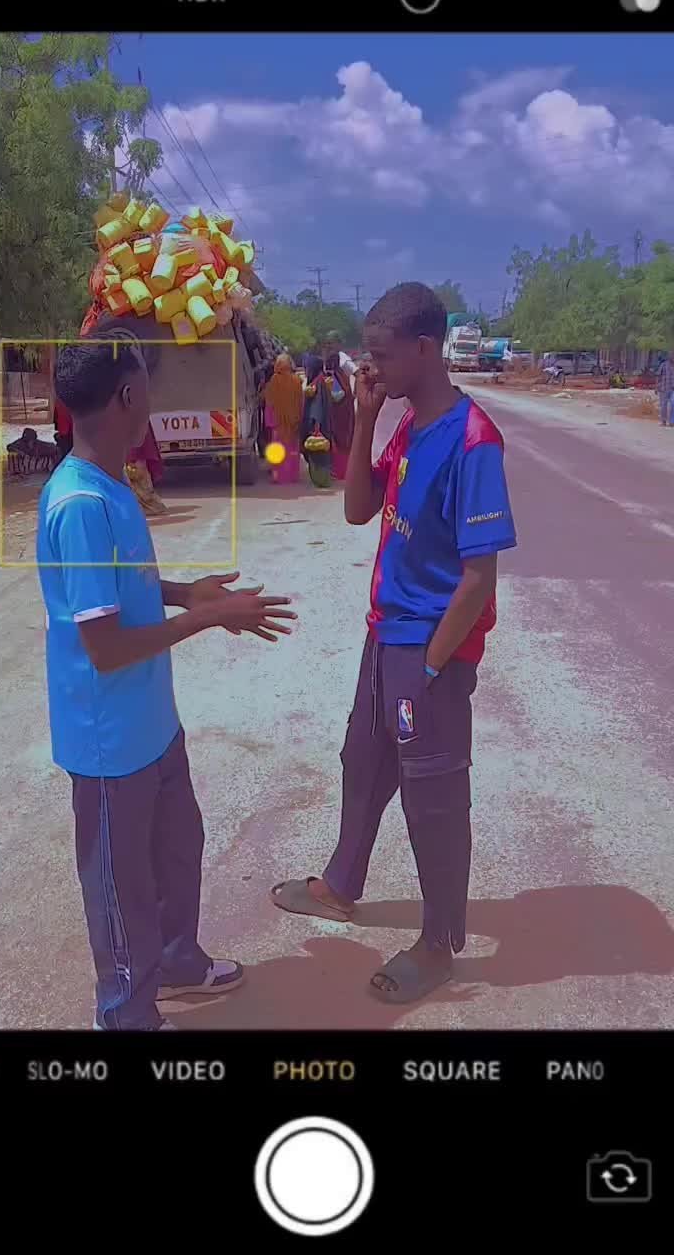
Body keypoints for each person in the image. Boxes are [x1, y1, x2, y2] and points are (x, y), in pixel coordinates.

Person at [37, 326, 297, 1030]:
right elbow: (105, 646)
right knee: (121, 886)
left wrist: (186, 594)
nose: (152, 396)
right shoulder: (81, 505)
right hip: (109, 741)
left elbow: (122, 593)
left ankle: (179, 961)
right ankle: (124, 1011)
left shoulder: (112, 484)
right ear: (128, 395)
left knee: (179, 850)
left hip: (152, 723)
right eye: (147, 384)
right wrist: (211, 618)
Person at [271, 283, 517, 1004]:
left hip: (429, 650)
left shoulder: (473, 441)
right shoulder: (408, 422)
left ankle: (438, 944)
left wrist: (433, 666)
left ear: (425, 349)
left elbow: (478, 577)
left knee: (432, 796)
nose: (368, 367)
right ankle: (340, 885)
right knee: (364, 758)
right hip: (385, 635)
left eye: (380, 355)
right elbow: (357, 509)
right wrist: (367, 416)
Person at [263, 353, 303, 484]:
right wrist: (299, 418)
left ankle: (279, 476)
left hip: (278, 423)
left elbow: (269, 403)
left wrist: (270, 422)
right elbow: (301, 402)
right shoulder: (296, 381)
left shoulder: (274, 381)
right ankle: (292, 475)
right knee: (292, 449)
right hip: (293, 422)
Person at [301, 354, 333, 489]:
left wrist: (316, 426)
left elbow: (317, 406)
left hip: (317, 425)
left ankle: (320, 479)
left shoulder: (317, 383)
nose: (306, 371)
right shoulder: (320, 379)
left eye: (307, 368)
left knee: (317, 453)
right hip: (320, 422)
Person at [324, 351, 355, 480]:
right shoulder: (343, 374)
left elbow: (337, 396)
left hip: (339, 414)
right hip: (347, 412)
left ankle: (340, 471)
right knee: (346, 440)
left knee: (340, 441)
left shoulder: (334, 376)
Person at [656, 351, 674, 427]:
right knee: (663, 405)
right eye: (672, 355)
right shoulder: (663, 365)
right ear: (669, 356)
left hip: (673, 389)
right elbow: (658, 376)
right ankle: (663, 421)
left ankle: (672, 422)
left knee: (673, 403)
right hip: (664, 388)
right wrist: (656, 387)